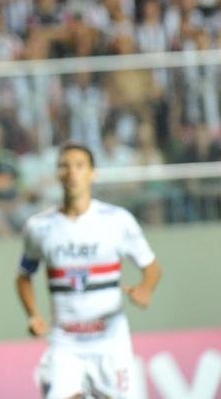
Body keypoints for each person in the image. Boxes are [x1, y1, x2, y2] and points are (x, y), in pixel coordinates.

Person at [16, 142, 162, 399]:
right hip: (65, 343)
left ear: (92, 173)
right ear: (57, 174)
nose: (72, 173)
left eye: (79, 166)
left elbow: (151, 268)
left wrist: (145, 289)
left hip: (110, 342)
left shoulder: (116, 220)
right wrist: (32, 315)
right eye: (65, 166)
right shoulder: (39, 227)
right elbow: (24, 275)